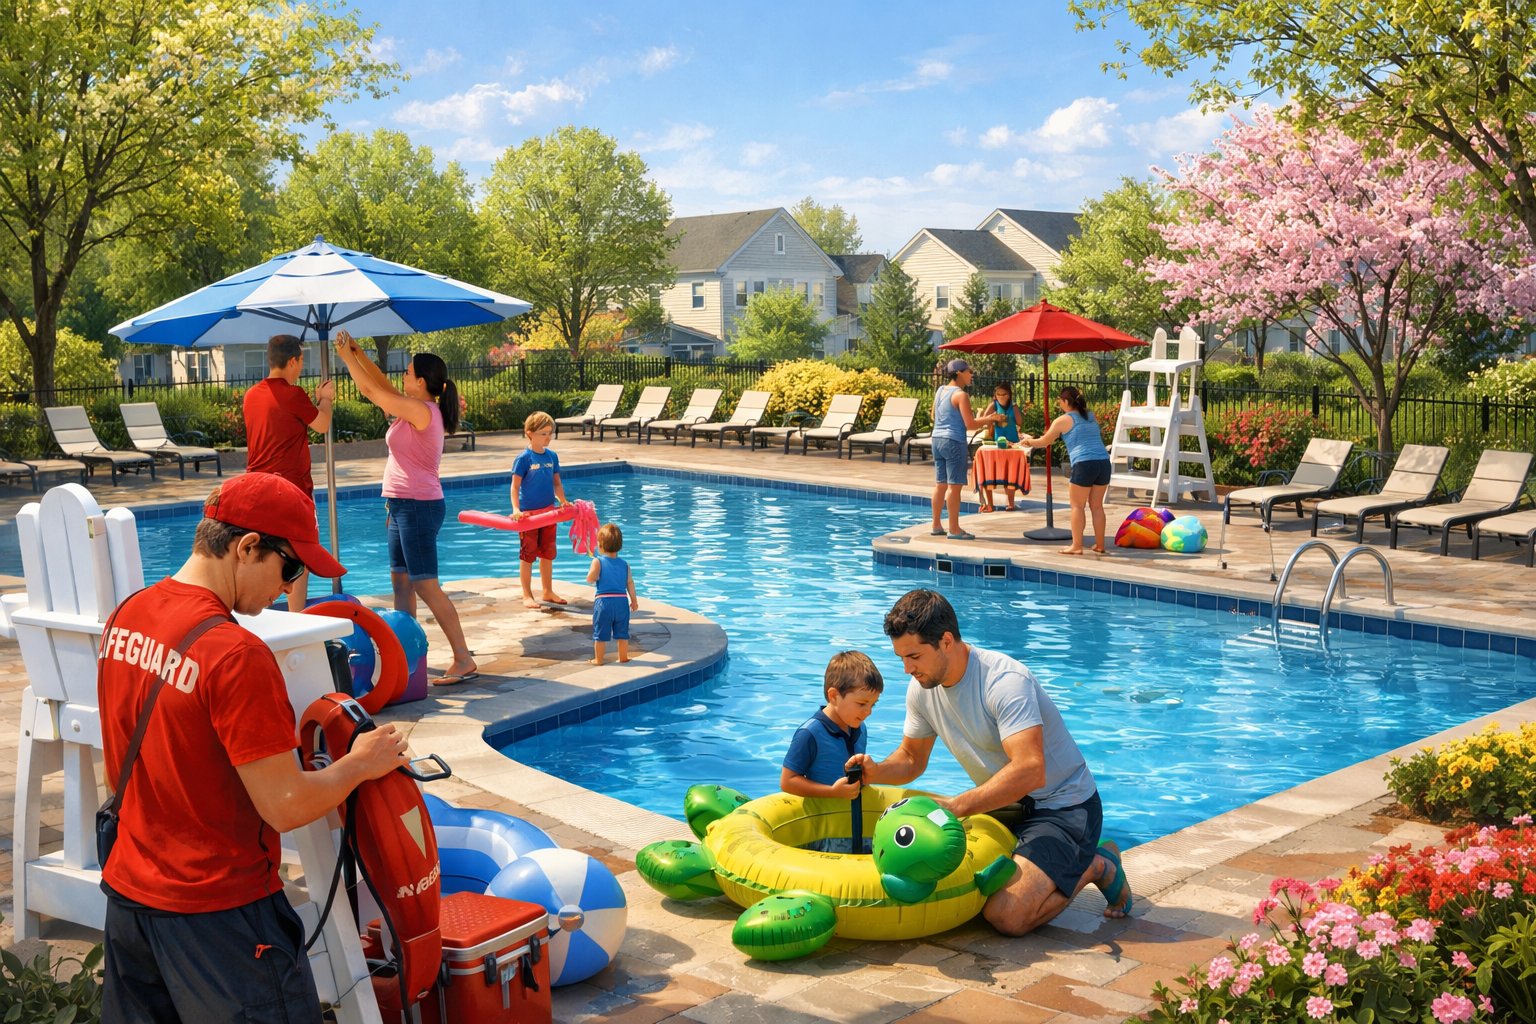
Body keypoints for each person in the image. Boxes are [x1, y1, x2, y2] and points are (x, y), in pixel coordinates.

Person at [97, 472, 409, 1023]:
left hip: (131, 899)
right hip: (222, 918)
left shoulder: (128, 616)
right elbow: (285, 805)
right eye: (290, 568)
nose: (289, 588)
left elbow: (119, 764)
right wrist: (361, 765)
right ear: (246, 547)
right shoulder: (235, 655)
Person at [849, 589, 1130, 936]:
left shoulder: (1005, 681)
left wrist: (956, 806)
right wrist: (873, 772)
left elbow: (1029, 769)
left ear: (946, 641)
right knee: (957, 882)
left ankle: (1096, 865)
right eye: (902, 658)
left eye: (914, 656)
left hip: (1064, 806)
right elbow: (910, 758)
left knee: (1007, 916)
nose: (907, 669)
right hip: (1005, 805)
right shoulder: (921, 689)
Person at [332, 329, 478, 685]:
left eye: (409, 372)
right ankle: (407, 655)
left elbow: (369, 391)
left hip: (417, 506)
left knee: (425, 585)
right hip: (400, 505)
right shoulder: (413, 406)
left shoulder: (420, 410)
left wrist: (345, 357)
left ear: (422, 383)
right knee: (401, 584)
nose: (403, 376)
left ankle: (463, 658)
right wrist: (359, 352)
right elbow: (381, 384)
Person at [242, 334, 335, 609]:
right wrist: (325, 398)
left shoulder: (251, 396)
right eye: (301, 361)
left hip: (257, 490)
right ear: (293, 360)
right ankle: (297, 618)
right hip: (291, 491)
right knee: (300, 553)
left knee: (263, 556)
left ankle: (264, 617)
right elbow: (322, 424)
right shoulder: (293, 395)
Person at [780, 651, 883, 853]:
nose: (868, 711)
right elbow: (787, 781)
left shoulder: (860, 728)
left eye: (873, 704)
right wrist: (832, 792)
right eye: (862, 704)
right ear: (834, 696)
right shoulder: (810, 734)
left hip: (855, 825)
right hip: (825, 833)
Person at [1019, 385, 1111, 555]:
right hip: (1103, 463)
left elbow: (1044, 442)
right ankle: (1100, 545)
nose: (1059, 404)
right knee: (1097, 507)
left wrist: (1029, 441)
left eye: (1060, 401)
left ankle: (1076, 546)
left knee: (1077, 506)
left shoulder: (1063, 420)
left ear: (1066, 401)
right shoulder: (1091, 416)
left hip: (1084, 464)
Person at [930, 359, 1003, 540]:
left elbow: (934, 415)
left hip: (937, 439)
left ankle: (937, 525)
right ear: (960, 372)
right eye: (970, 371)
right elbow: (970, 424)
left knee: (940, 484)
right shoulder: (961, 395)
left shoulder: (940, 391)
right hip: (953, 441)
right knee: (954, 487)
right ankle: (954, 529)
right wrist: (991, 419)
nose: (972, 374)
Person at [511, 411, 571, 610]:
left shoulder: (552, 456)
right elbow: (515, 487)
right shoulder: (524, 459)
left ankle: (547, 590)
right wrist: (516, 509)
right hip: (528, 516)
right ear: (530, 433)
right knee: (527, 555)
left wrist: (563, 501)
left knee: (547, 553)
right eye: (544, 433)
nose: (548, 437)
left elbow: (557, 483)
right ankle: (527, 594)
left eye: (550, 433)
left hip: (548, 513)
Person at [586, 522, 639, 665]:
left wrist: (593, 574)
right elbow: (629, 583)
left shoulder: (598, 561)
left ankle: (598, 660)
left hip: (604, 603)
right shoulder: (624, 564)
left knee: (601, 633)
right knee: (622, 633)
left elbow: (590, 578)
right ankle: (623, 657)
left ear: (600, 545)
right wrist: (633, 601)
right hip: (622, 602)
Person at [981, 381, 1026, 512]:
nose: (1001, 396)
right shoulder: (993, 405)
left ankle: (1011, 503)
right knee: (990, 473)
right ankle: (990, 504)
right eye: (998, 394)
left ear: (1009, 395)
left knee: (1010, 474)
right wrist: (993, 418)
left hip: (1012, 443)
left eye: (1004, 394)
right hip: (997, 443)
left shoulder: (1013, 406)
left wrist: (1012, 415)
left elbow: (1020, 422)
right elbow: (984, 420)